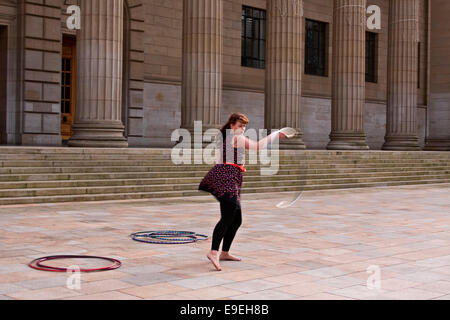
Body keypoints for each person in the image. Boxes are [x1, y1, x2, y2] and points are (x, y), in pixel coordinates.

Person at [198, 112, 287, 271]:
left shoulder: (226, 138)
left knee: (236, 219)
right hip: (227, 179)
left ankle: (224, 252)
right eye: (240, 125)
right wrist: (274, 135)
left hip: (228, 178)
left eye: (244, 126)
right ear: (232, 126)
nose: (242, 129)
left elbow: (217, 160)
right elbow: (258, 146)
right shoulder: (236, 137)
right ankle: (213, 252)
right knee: (227, 218)